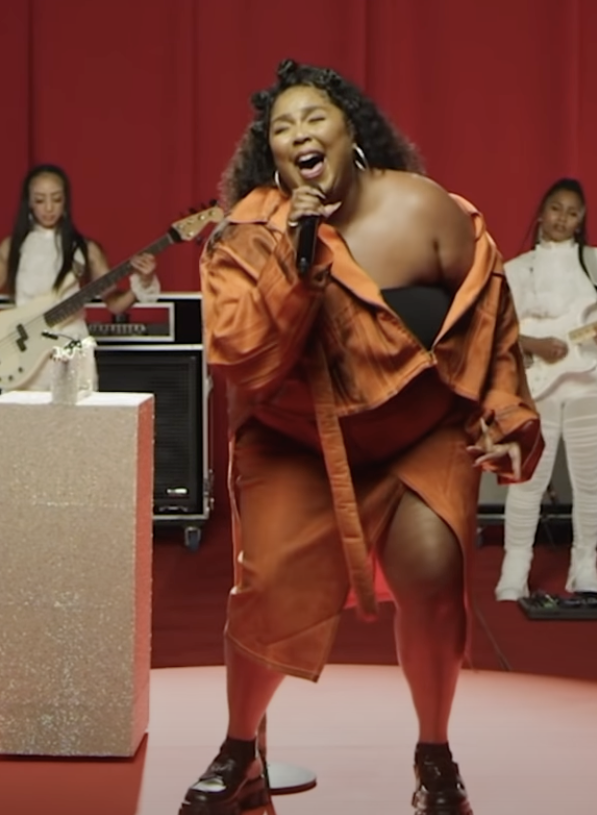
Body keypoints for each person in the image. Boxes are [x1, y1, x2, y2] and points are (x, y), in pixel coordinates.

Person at [186, 59, 543, 815]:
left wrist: (507, 413)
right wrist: (299, 256)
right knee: (267, 590)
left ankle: (435, 754)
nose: (299, 134)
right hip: (298, 441)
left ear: (352, 131)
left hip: (418, 433)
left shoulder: (425, 208)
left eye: (314, 117)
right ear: (270, 152)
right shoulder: (248, 236)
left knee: (434, 575)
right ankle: (241, 751)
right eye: (282, 127)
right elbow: (242, 357)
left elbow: (488, 315)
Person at [0, 163, 160, 587]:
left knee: (74, 460)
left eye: (56, 199)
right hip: (22, 357)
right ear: (28, 203)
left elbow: (116, 304)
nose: (48, 207)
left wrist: (145, 279)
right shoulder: (13, 248)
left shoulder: (84, 249)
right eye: (40, 199)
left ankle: (70, 564)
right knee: (10, 460)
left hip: (70, 357)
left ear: (67, 202)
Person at [495, 178, 597, 601]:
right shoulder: (516, 269)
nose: (563, 218)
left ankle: (584, 566)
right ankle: (515, 569)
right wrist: (534, 345)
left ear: (581, 220)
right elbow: (499, 333)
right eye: (556, 209)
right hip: (536, 384)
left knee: (590, 482)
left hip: (589, 383)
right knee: (527, 480)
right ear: (541, 214)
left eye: (572, 212)